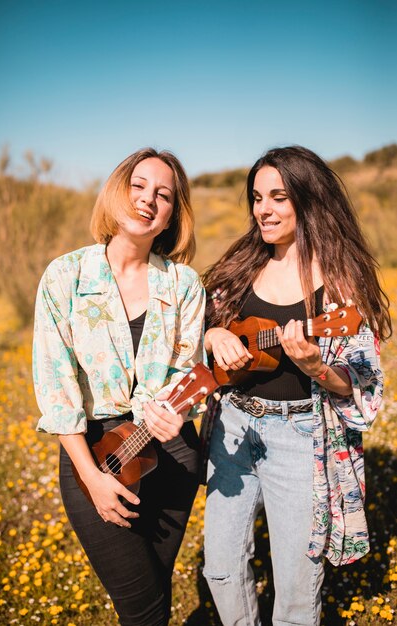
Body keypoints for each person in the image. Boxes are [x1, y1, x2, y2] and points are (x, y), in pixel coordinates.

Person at [201, 145, 390, 626]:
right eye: (257, 197)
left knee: (296, 590)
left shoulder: (341, 284)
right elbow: (196, 324)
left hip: (301, 438)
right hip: (233, 429)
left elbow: (362, 386)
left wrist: (316, 369)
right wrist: (214, 332)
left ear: (307, 201)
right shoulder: (241, 265)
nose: (263, 209)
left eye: (278, 197)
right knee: (220, 570)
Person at [33, 148, 205, 626]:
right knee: (143, 607)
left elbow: (185, 375)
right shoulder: (65, 278)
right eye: (138, 186)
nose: (148, 200)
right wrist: (92, 478)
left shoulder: (185, 285)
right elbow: (56, 386)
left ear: (173, 214)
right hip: (96, 457)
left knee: (152, 596)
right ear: (116, 192)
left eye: (163, 195)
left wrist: (179, 412)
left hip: (170, 456)